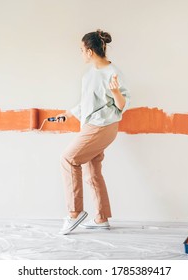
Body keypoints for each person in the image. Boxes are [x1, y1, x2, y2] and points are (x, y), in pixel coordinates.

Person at [56, 29, 131, 235]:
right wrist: (69, 114)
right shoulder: (90, 74)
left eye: (81, 50)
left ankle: (74, 213)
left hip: (102, 126)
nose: (80, 53)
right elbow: (89, 102)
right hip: (94, 124)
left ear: (90, 51)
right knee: (92, 170)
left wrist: (115, 92)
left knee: (68, 159)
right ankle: (101, 218)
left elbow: (121, 105)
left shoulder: (112, 72)